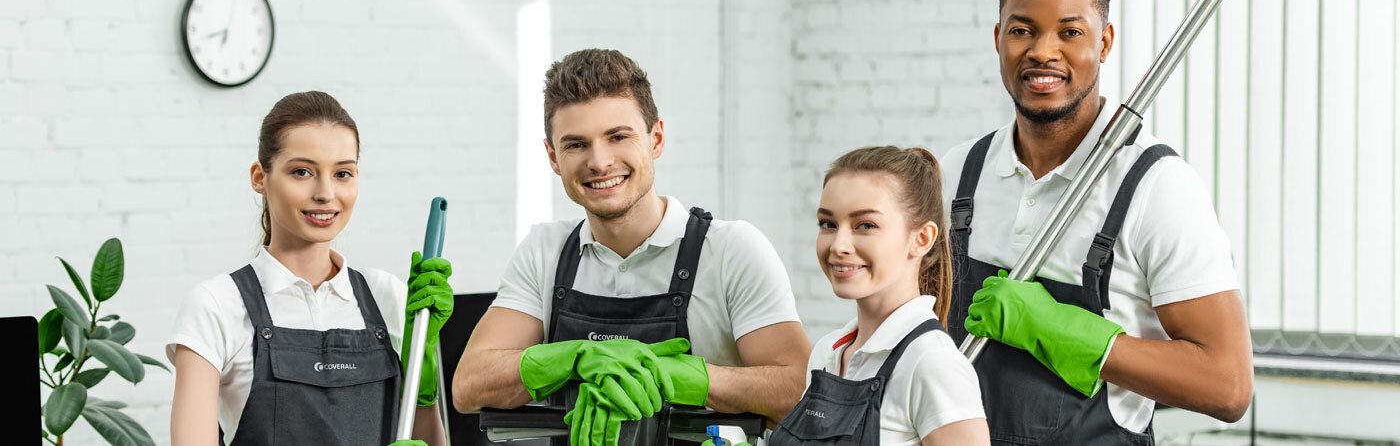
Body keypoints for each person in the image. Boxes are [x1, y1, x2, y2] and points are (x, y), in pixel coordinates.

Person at [938, 0, 1254, 444]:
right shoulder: (958, 172)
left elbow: (1227, 387)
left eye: (1070, 32)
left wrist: (1067, 334)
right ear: (997, 38)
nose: (1043, 52)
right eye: (1023, 30)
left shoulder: (1155, 187)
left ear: (1104, 42)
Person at [451, 49, 810, 446]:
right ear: (553, 157)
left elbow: (799, 391)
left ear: (655, 138)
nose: (599, 162)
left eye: (618, 137)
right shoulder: (545, 250)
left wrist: (676, 376)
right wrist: (575, 358)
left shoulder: (731, 251)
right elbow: (469, 386)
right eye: (576, 145)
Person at [167, 91, 454, 446]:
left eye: (343, 173)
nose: (325, 193)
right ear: (260, 177)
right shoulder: (216, 305)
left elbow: (427, 438)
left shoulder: (388, 296)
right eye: (302, 171)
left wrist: (424, 390)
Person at [767, 146, 989, 446]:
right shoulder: (826, 354)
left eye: (866, 225)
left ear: (921, 239)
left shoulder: (931, 364)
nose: (839, 245)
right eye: (828, 224)